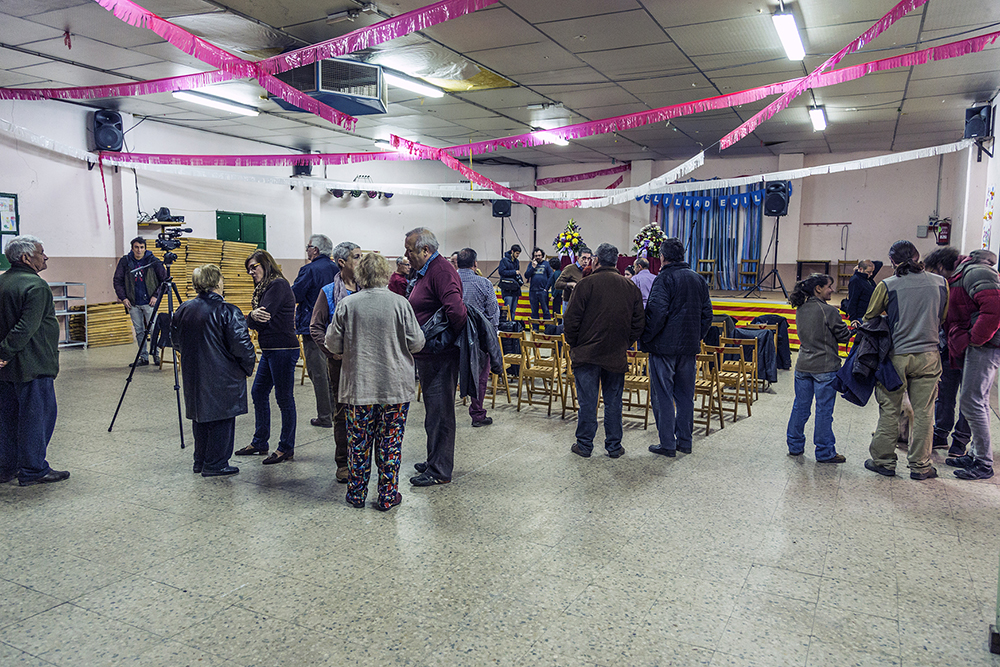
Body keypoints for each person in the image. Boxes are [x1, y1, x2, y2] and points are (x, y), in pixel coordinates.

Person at [326, 253, 425, 510]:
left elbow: (332, 343)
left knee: (358, 445)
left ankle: (356, 494)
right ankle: (387, 496)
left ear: (361, 275)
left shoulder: (348, 304)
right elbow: (417, 343)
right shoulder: (400, 303)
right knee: (390, 443)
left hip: (359, 388)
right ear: (385, 274)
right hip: (395, 388)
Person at [863, 240, 947, 480]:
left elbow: (870, 317)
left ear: (892, 261)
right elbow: (942, 316)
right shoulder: (941, 283)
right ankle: (921, 466)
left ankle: (884, 462)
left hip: (897, 356)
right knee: (924, 412)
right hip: (929, 355)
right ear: (918, 257)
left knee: (890, 409)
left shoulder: (887, 285)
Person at [171, 264, 256, 477]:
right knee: (222, 419)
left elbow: (176, 341)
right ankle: (216, 463)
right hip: (223, 375)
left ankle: (200, 460)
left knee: (201, 418)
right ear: (217, 282)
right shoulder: (228, 311)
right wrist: (247, 367)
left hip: (194, 373)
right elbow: (242, 346)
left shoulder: (184, 309)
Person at [564, 243, 645, 459]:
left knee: (588, 403)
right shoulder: (630, 287)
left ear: (596, 260)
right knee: (614, 403)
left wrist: (576, 344)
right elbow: (639, 323)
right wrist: (624, 342)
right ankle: (614, 446)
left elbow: (570, 321)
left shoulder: (585, 285)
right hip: (615, 354)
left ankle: (584, 445)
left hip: (587, 354)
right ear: (616, 262)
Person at [0, 236, 70, 486]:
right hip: (33, 364)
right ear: (26, 257)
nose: (46, 256)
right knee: (36, 418)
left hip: (7, 369)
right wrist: (4, 353)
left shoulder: (3, 281)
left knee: (7, 419)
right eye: (41, 252)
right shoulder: (36, 286)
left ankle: (6, 468)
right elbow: (25, 327)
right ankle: (33, 469)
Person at [406, 227, 468, 486]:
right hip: (429, 354)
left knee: (441, 413)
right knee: (433, 412)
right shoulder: (428, 270)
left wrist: (445, 340)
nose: (406, 256)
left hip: (440, 355)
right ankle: (434, 458)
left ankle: (439, 470)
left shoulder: (441, 270)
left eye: (409, 250)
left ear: (425, 250)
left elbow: (457, 311)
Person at [641, 238, 713, 457]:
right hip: (688, 349)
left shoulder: (664, 278)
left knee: (663, 396)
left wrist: (646, 338)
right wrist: (696, 336)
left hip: (664, 348)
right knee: (685, 396)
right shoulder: (698, 279)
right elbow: (707, 315)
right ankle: (685, 441)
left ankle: (667, 444)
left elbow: (657, 313)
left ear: (662, 257)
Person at [941, 249, 1000, 480]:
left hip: (985, 345)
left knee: (972, 401)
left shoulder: (976, 272)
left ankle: (983, 463)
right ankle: (976, 454)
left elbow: (994, 309)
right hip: (984, 344)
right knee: (978, 401)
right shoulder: (969, 272)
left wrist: (975, 338)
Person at [237, 250, 298, 465]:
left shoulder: (277, 285)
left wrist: (250, 318)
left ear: (266, 264)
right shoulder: (263, 288)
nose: (251, 272)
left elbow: (263, 318)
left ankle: (286, 447)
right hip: (270, 349)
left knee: (284, 398)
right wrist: (252, 317)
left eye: (254, 267)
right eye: (248, 269)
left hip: (283, 349)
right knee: (259, 392)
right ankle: (260, 442)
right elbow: (257, 317)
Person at [786, 274, 853, 463]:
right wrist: (852, 329)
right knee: (824, 411)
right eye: (829, 286)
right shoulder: (829, 310)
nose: (832, 290)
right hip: (825, 367)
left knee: (800, 407)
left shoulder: (801, 308)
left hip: (803, 365)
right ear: (818, 289)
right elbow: (843, 336)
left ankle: (794, 446)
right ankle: (825, 452)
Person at [309, 241, 361, 483]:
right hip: (340, 363)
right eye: (356, 257)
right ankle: (343, 462)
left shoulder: (367, 290)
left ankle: (362, 460)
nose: (361, 261)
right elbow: (316, 326)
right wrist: (331, 351)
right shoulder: (329, 292)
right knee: (342, 413)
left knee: (365, 412)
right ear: (342, 262)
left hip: (366, 361)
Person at [923, 247, 971, 457]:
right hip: (948, 346)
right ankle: (941, 433)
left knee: (968, 397)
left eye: (933, 271)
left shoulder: (969, 277)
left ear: (941, 267)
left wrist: (971, 339)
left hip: (972, 347)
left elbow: (989, 312)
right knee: (944, 393)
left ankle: (960, 440)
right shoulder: (947, 282)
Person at [290, 235, 339, 429]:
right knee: (334, 372)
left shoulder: (309, 270)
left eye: (308, 246)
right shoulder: (337, 268)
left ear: (316, 250)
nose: (306, 250)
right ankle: (337, 412)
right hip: (335, 328)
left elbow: (295, 295)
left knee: (318, 373)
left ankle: (325, 416)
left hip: (314, 328)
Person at [457, 247, 500, 427]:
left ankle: (445, 414)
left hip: (451, 336)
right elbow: (493, 314)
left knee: (448, 375)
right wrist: (491, 338)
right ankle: (477, 414)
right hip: (478, 338)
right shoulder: (484, 284)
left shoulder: (449, 281)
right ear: (475, 264)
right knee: (480, 377)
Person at [112, 236, 168, 366]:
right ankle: (143, 357)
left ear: (145, 249)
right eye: (136, 247)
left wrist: (156, 295)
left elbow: (165, 280)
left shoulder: (153, 261)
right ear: (132, 248)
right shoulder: (125, 261)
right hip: (133, 302)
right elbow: (117, 280)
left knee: (153, 329)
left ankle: (156, 355)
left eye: (142, 247)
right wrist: (123, 298)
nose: (139, 250)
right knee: (139, 331)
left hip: (149, 302)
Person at [524, 246, 553, 324]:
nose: (537, 257)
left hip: (543, 291)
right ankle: (535, 328)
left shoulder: (546, 264)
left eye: (539, 255)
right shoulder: (531, 264)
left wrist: (546, 288)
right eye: (536, 256)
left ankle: (548, 328)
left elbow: (551, 276)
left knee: (546, 311)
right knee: (534, 311)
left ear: (542, 256)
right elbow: (526, 276)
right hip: (533, 291)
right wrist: (533, 267)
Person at [497, 244, 522, 318]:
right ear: (512, 251)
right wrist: (514, 272)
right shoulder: (504, 260)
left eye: (519, 254)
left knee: (513, 310)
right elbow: (501, 272)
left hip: (515, 289)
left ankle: (512, 323)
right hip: (507, 289)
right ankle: (506, 323)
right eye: (516, 253)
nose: (518, 255)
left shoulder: (517, 261)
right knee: (508, 309)